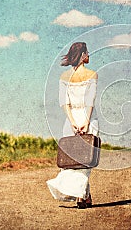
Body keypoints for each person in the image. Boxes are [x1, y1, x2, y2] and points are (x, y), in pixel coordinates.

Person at [46, 42, 98, 209]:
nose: (89, 54)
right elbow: (90, 101)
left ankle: (84, 196)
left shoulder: (64, 77)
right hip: (87, 117)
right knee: (85, 159)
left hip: (70, 119)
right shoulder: (92, 74)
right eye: (87, 52)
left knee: (74, 159)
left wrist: (73, 122)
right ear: (83, 55)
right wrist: (86, 122)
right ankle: (81, 197)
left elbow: (64, 103)